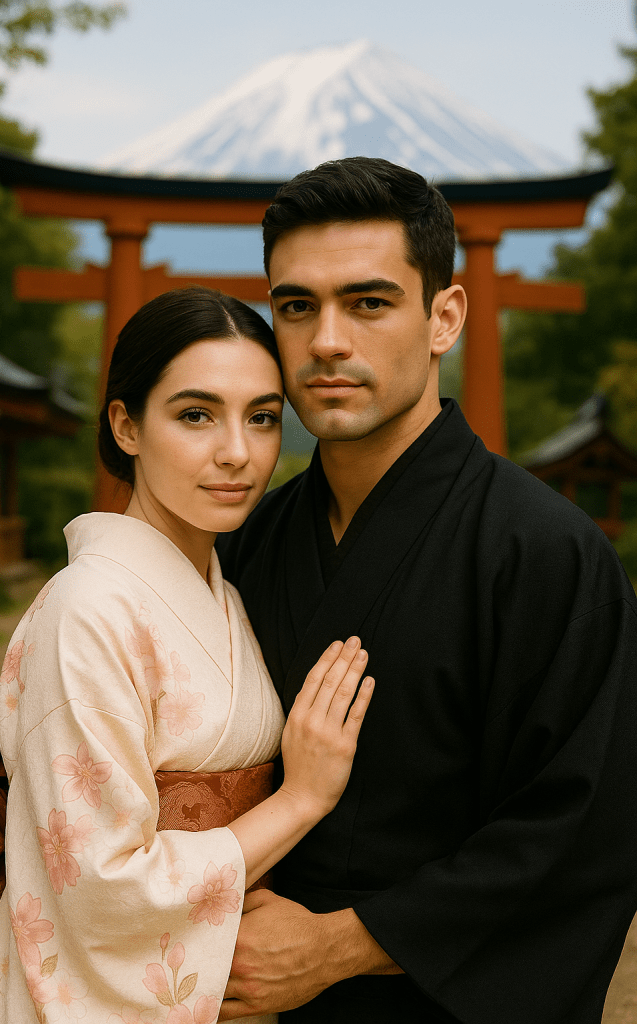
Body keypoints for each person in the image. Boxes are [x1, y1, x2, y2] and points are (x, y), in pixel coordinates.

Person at [216, 157, 637, 1024]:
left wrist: (337, 946)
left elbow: (583, 832)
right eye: (296, 306)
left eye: (367, 303)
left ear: (444, 317)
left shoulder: (545, 552)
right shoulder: (247, 542)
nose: (326, 340)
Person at [0, 287, 374, 1024]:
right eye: (195, 415)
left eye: (261, 419)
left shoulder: (225, 591)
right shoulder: (86, 609)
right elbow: (101, 884)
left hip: (227, 983)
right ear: (125, 425)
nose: (237, 454)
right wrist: (302, 798)